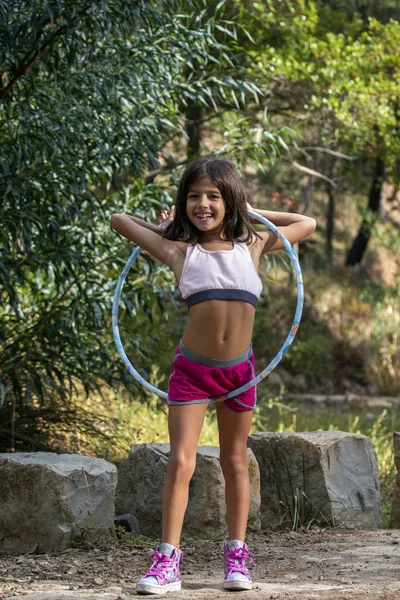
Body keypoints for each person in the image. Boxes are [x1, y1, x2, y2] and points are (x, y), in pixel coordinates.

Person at [110, 157, 316, 595]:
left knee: (235, 461)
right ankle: (167, 561)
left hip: (238, 373)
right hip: (192, 372)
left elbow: (307, 222)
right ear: (183, 204)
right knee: (181, 462)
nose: (203, 204)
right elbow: (118, 219)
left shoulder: (254, 244)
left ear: (230, 202)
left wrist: (251, 210)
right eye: (194, 197)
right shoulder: (179, 251)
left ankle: (237, 557)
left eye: (214, 197)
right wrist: (165, 227)